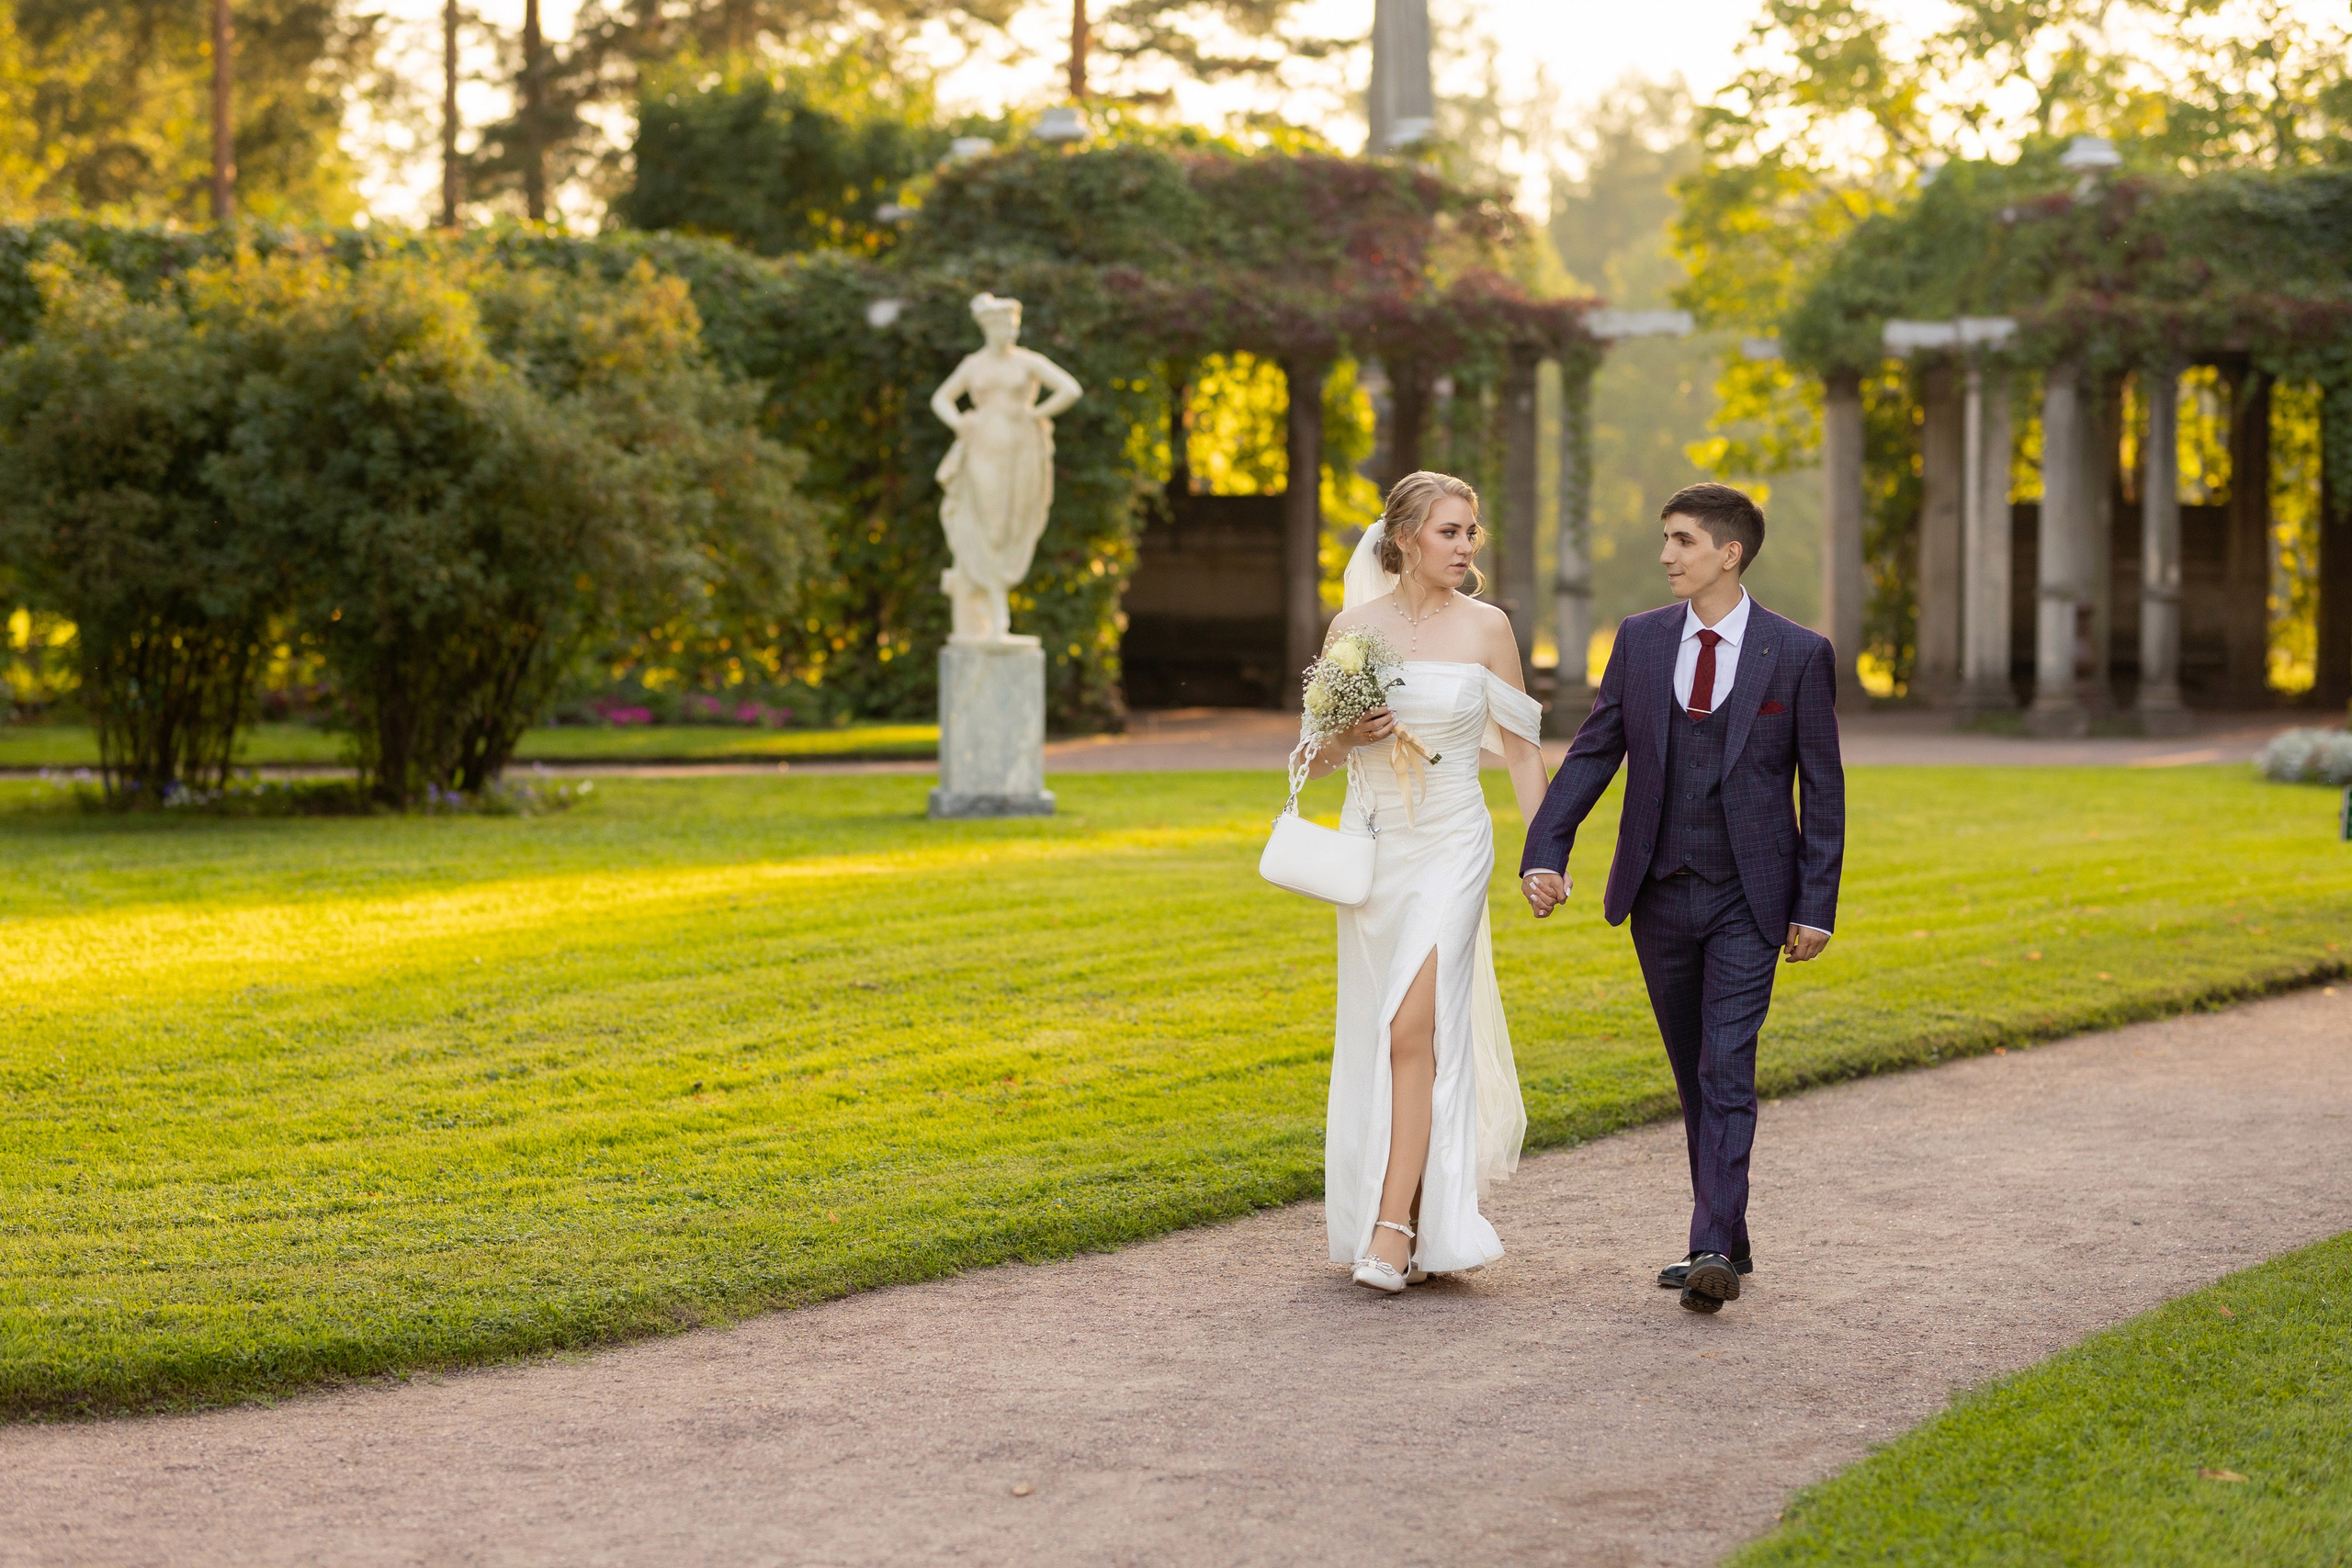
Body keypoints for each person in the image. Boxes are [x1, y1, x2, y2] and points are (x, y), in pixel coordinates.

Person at [1518, 482, 1846, 1314]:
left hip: (1750, 896)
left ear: (1729, 554)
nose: (1666, 554)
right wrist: (1546, 850)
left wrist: (1815, 903)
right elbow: (1594, 753)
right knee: (1694, 1070)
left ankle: (1709, 1248)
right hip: (1658, 891)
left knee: (1726, 1063)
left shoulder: (1798, 652)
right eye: (1666, 538)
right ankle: (1728, 1231)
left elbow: (1823, 788)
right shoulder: (1640, 640)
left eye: (1683, 540)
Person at [1305, 471, 1552, 1293]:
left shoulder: (1489, 627)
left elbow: (1522, 750)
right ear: (1405, 537)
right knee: (1383, 1030)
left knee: (1415, 1027)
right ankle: (1403, 1215)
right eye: (1450, 531)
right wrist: (1351, 733)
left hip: (1453, 840)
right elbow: (1315, 754)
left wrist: (1543, 852)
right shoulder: (1355, 627)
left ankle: (1394, 1226)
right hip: (1376, 844)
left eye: (1471, 531)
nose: (1466, 545)